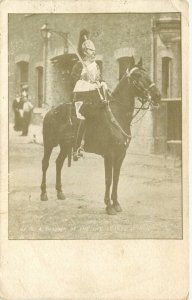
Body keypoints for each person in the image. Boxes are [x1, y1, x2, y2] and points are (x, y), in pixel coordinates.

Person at [70, 29, 108, 161]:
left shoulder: (96, 66)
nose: (94, 53)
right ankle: (76, 148)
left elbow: (100, 78)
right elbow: (73, 80)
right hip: (81, 97)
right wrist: (85, 79)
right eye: (91, 50)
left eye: (94, 50)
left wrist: (101, 83)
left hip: (93, 97)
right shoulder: (78, 65)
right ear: (85, 51)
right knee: (83, 118)